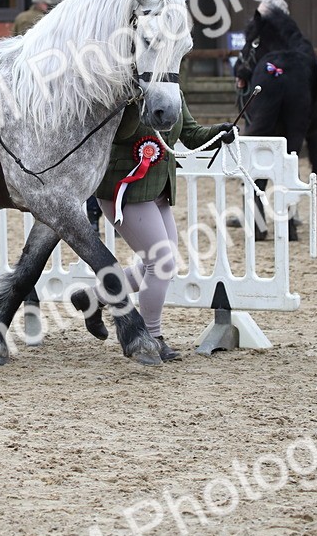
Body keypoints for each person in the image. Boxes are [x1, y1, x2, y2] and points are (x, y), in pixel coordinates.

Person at [69, 100, 235, 361]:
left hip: (157, 190)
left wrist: (218, 132)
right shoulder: (123, 94)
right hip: (123, 191)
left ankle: (93, 297)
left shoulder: (172, 92)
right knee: (161, 265)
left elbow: (190, 134)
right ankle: (150, 337)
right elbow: (120, 132)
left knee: (159, 266)